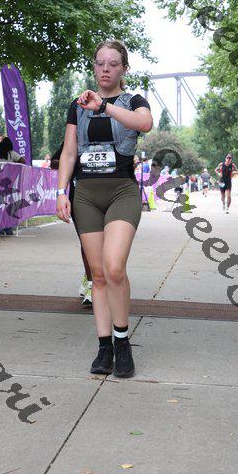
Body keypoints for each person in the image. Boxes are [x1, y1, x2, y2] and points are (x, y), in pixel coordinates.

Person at [56, 40, 153, 378]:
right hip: (86, 195)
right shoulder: (77, 104)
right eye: (100, 63)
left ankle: (122, 341)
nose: (106, 69)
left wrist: (105, 107)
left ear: (124, 68)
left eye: (113, 63)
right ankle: (104, 346)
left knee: (114, 268)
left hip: (121, 192)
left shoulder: (134, 101)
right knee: (97, 275)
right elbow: (69, 152)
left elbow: (144, 124)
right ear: (94, 67)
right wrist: (61, 192)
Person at [51, 142, 93, 306]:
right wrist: (72, 161)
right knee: (87, 243)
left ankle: (95, 276)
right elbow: (55, 161)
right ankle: (91, 282)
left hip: (109, 194)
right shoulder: (75, 137)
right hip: (80, 196)